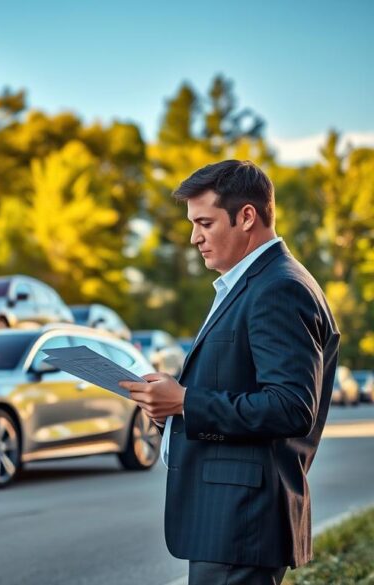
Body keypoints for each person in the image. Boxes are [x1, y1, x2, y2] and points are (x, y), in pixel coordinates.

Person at [119, 160, 339, 585]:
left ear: (247, 217)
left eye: (205, 222)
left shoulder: (278, 287)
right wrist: (172, 405)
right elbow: (241, 384)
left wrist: (186, 400)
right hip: (228, 522)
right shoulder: (251, 283)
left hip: (242, 524)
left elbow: (291, 407)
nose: (194, 237)